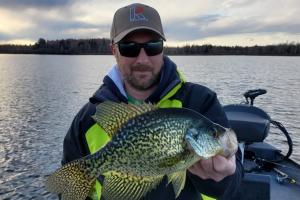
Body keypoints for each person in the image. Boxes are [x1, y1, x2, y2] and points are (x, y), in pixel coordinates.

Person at [62, 3, 243, 200]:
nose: (143, 59)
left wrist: (220, 179)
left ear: (163, 48)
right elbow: (68, 194)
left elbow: (233, 188)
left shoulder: (201, 102)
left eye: (152, 46)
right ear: (113, 50)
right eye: (129, 48)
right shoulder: (87, 119)